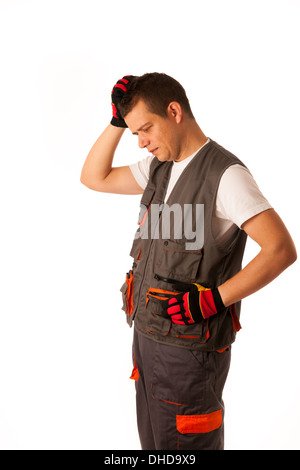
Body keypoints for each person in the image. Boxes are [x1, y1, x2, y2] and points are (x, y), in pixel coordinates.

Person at [80, 73, 297, 450]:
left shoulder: (225, 175)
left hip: (190, 352)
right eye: (134, 134)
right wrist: (118, 120)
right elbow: (93, 177)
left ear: (175, 111)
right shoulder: (158, 168)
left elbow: (281, 249)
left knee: (188, 445)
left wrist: (214, 299)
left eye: (146, 128)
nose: (142, 142)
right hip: (147, 338)